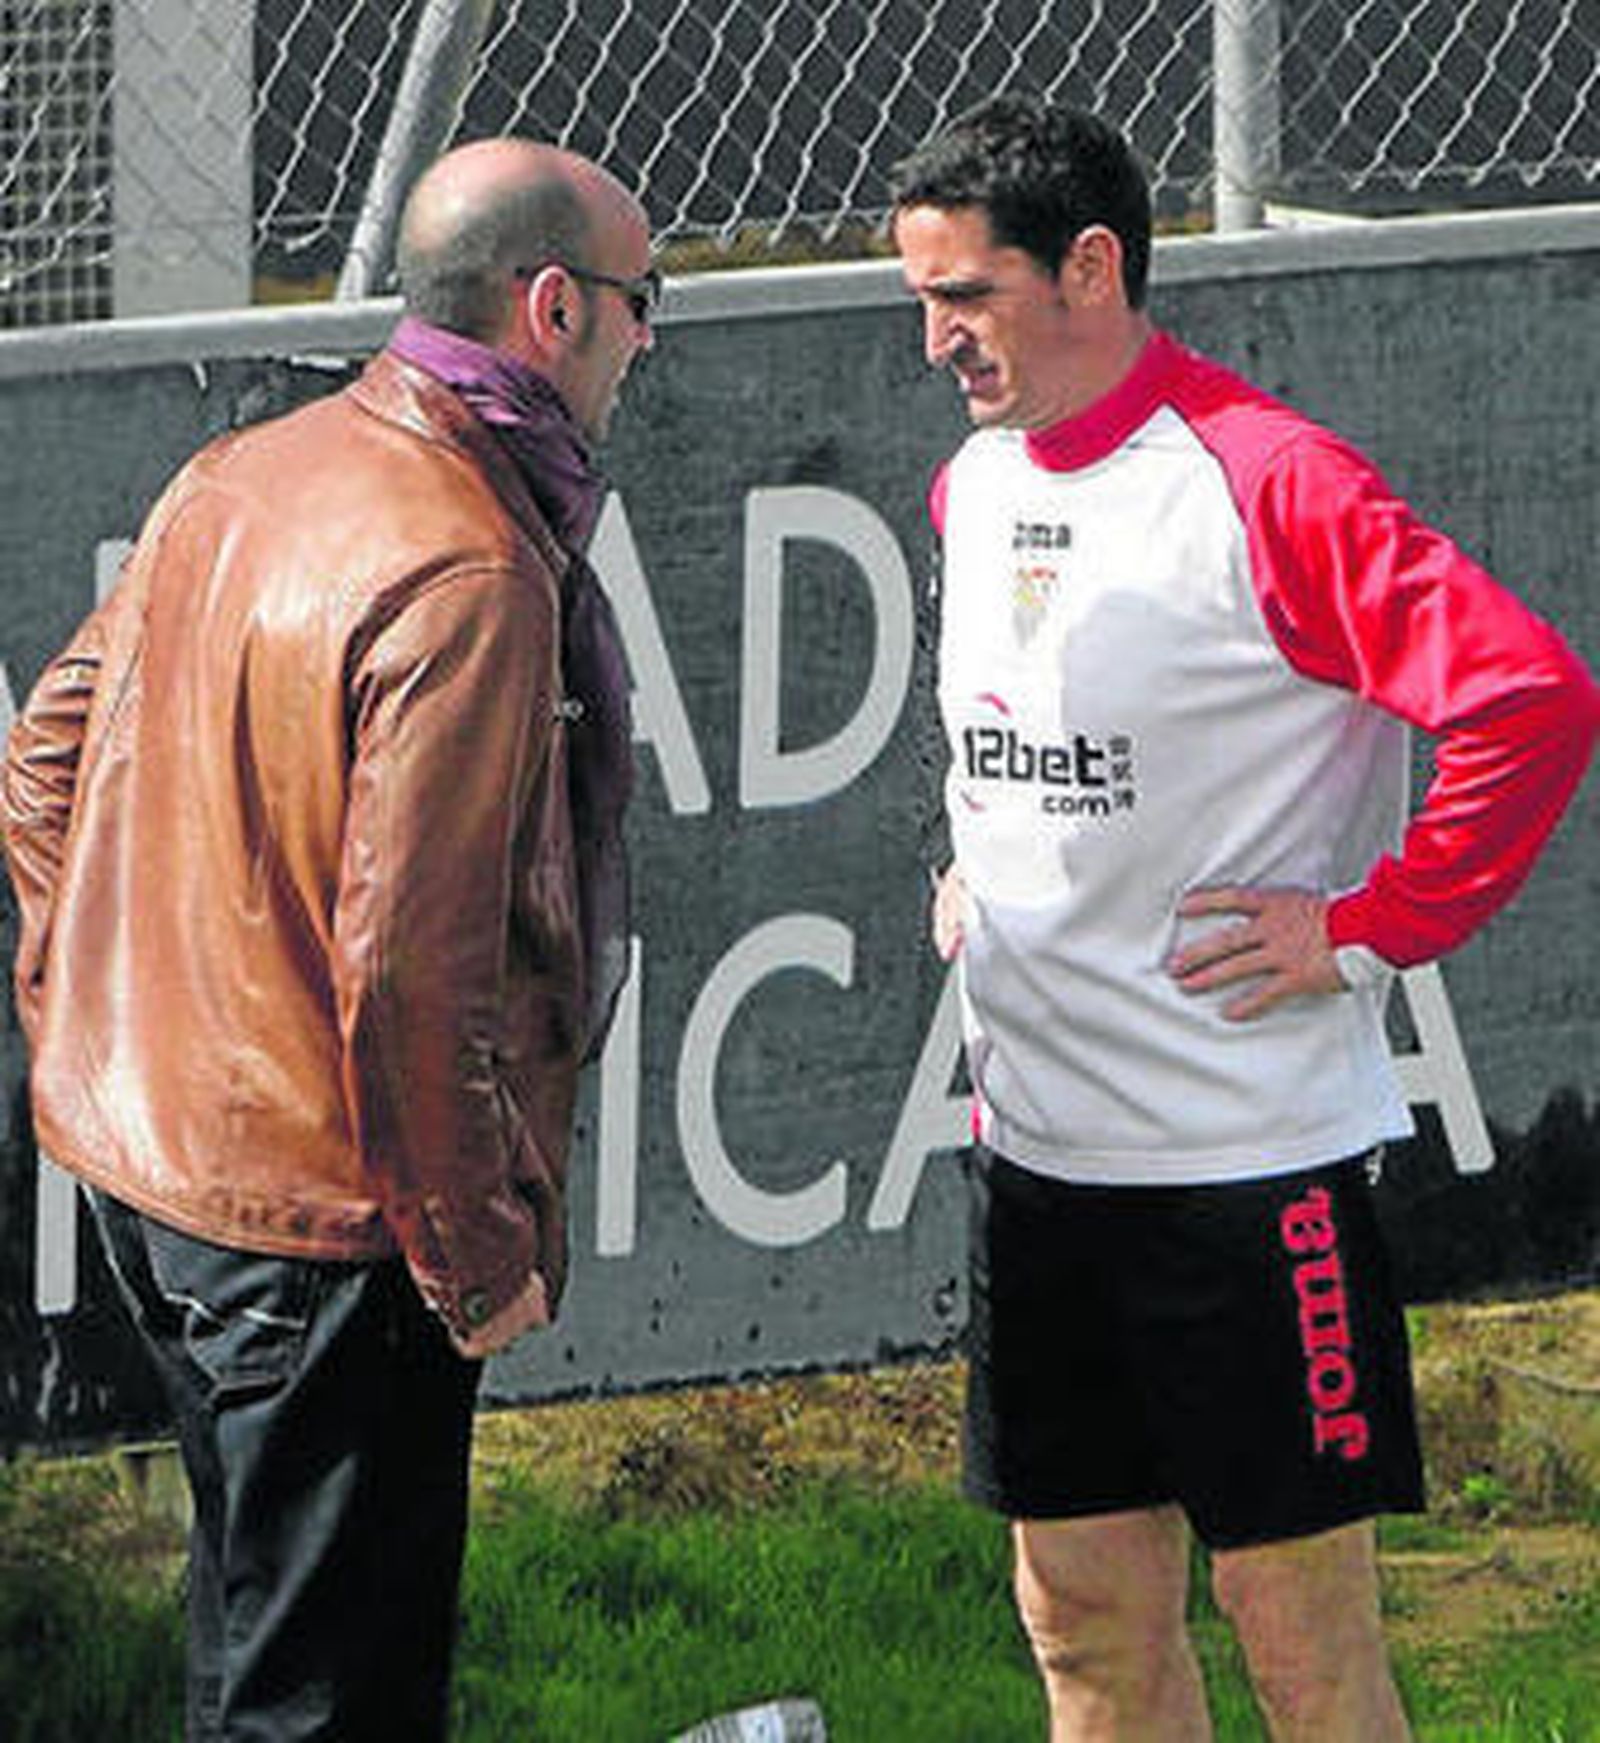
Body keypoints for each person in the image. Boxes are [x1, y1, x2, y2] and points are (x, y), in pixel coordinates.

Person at [890, 94, 1599, 1742]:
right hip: (1038, 1169)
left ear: (1089, 268)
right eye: (917, 301)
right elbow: (1026, 732)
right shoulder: (975, 487)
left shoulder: (1268, 482)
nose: (935, 341)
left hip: (1243, 1179)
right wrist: (977, 856)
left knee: (1301, 1651)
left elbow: (1529, 699)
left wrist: (1367, 927)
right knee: (1080, 1636)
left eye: (966, 298)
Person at [1, 138, 653, 1741]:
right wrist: (478, 1254)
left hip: (164, 1183)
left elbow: (42, 764)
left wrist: (92, 1021)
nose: (650, 342)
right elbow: (412, 973)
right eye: (646, 307)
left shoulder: (250, 468)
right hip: (329, 1224)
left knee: (255, 1647)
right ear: (553, 308)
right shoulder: (473, 565)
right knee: (332, 1700)